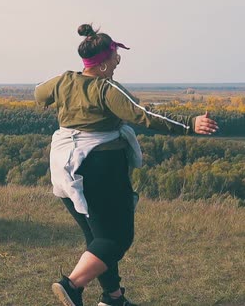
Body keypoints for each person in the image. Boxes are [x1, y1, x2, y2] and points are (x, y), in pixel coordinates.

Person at [34, 24, 219, 306]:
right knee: (117, 239)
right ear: (105, 63)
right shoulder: (106, 89)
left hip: (66, 167)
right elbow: (144, 115)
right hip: (102, 168)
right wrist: (189, 124)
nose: (118, 60)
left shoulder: (64, 80)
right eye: (115, 56)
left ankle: (113, 297)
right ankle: (71, 286)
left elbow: (38, 94)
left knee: (97, 238)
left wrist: (62, 99)